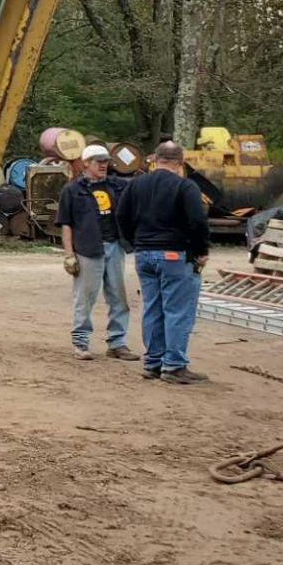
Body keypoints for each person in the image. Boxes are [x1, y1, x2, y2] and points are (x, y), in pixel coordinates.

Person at [116, 140, 212, 385]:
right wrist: (201, 250)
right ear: (180, 162)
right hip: (174, 254)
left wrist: (133, 243)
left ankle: (153, 362)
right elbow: (198, 220)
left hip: (144, 254)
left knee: (153, 308)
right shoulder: (185, 186)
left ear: (154, 159)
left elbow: (121, 215)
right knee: (177, 310)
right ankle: (174, 365)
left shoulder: (135, 185)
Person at [55, 144, 133, 362]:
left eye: (105, 161)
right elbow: (66, 225)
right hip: (88, 249)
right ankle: (81, 343)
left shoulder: (118, 187)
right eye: (98, 161)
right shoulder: (72, 190)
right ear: (86, 163)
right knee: (85, 298)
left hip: (114, 247)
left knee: (118, 297)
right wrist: (69, 254)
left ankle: (117, 343)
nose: (103, 165)